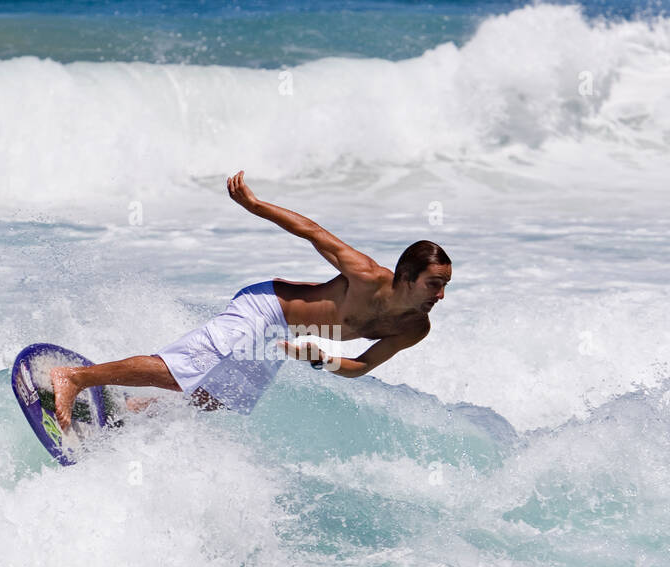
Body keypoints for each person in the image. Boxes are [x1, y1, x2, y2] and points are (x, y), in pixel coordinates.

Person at [50, 171, 451, 429]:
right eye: (433, 284)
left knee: (217, 401)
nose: (440, 295)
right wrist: (255, 205)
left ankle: (129, 410)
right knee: (192, 366)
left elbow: (362, 365)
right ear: (405, 277)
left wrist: (323, 358)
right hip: (266, 307)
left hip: (282, 337)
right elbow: (312, 231)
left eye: (444, 285)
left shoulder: (414, 326)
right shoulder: (365, 275)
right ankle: (74, 377)